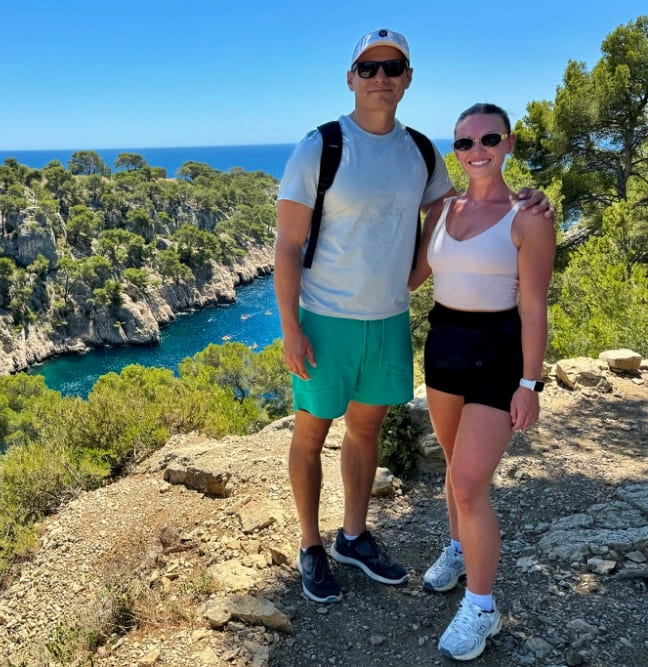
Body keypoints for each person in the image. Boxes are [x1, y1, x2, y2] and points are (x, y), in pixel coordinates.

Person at [274, 29, 550, 605]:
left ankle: (352, 536)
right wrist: (291, 327)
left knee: (366, 429)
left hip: (390, 319)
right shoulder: (319, 147)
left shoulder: (422, 153)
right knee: (311, 433)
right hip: (325, 318)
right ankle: (310, 545)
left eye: (392, 67)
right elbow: (286, 246)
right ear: (350, 77)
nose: (381, 78)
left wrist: (529, 198)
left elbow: (457, 216)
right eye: (369, 69)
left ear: (407, 78)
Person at [408, 103, 555, 661]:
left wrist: (530, 383)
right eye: (464, 143)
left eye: (488, 139)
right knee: (452, 468)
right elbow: (415, 276)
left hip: (498, 354)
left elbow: (535, 308)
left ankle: (482, 606)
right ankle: (457, 546)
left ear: (509, 143)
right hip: (444, 346)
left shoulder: (531, 216)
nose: (476, 151)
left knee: (469, 484)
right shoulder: (443, 208)